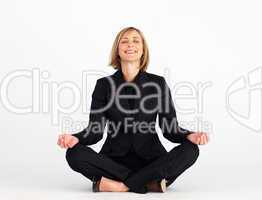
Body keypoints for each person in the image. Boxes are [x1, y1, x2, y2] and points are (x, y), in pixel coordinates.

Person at [57, 26, 209, 194]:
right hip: (113, 162)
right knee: (74, 154)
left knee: (191, 150)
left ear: (143, 50)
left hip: (152, 161)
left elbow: (169, 129)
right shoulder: (104, 85)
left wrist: (189, 135)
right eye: (125, 41)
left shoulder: (158, 84)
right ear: (118, 49)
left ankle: (119, 185)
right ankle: (149, 183)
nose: (130, 45)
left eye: (136, 41)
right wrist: (75, 138)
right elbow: (95, 131)